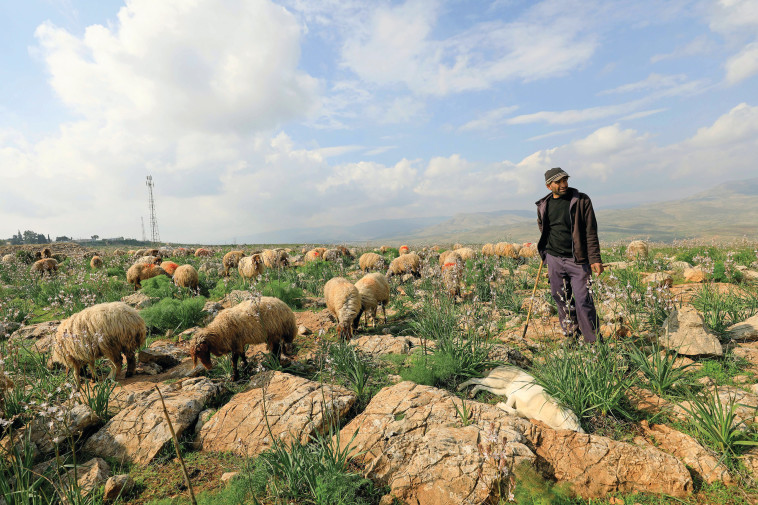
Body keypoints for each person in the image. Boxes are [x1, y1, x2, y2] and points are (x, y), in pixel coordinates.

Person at [536, 167, 603, 343]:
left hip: (578, 260)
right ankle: (571, 336)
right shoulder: (544, 205)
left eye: (565, 180)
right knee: (562, 300)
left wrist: (595, 259)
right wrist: (547, 255)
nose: (564, 184)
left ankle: (593, 341)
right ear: (549, 186)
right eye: (558, 182)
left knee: (583, 300)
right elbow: (544, 229)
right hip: (554, 259)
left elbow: (591, 232)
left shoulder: (581, 201)